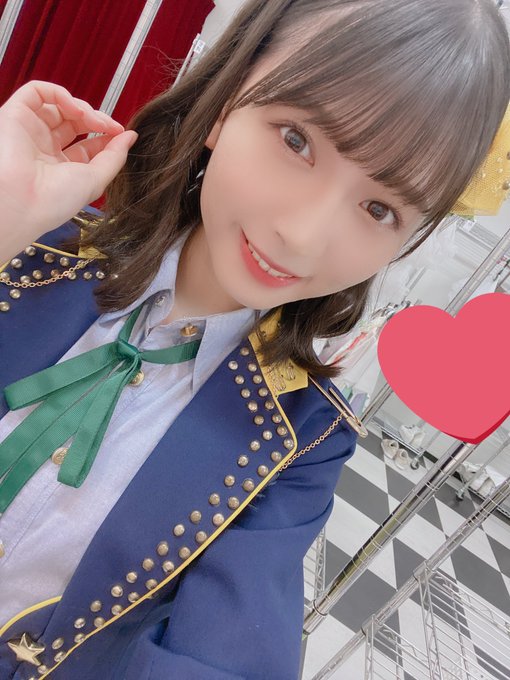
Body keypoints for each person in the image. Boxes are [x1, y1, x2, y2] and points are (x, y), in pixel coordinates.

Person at [0, 0, 509, 677]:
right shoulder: (33, 246)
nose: (303, 235)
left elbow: (230, 652)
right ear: (225, 101)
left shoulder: (303, 442)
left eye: (379, 208)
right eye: (297, 140)